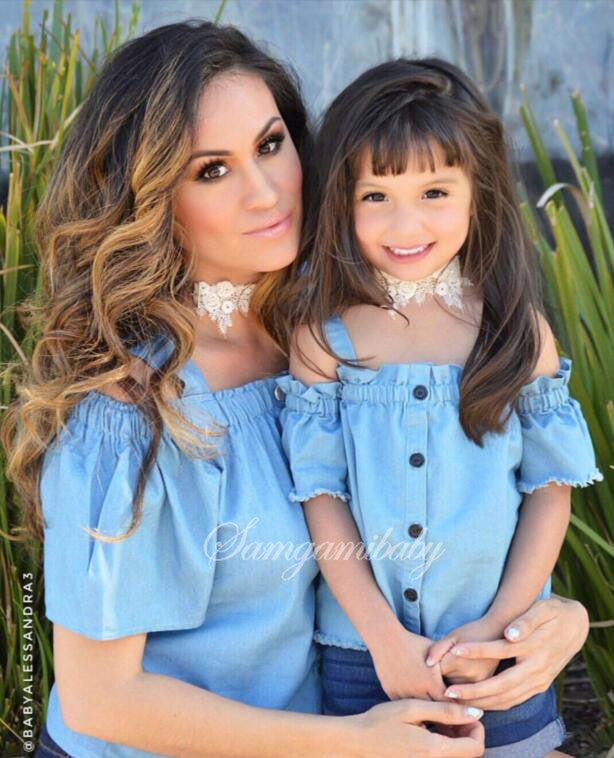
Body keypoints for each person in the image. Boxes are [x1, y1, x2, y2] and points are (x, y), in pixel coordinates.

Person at [0, 22, 587, 758]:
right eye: (211, 170)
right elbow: (98, 698)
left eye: (271, 145)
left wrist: (550, 619)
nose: (267, 190)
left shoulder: (332, 342)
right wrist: (349, 744)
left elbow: (439, 532)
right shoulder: (131, 409)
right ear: (149, 199)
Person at [276, 57, 603, 757]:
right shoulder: (323, 339)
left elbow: (550, 491)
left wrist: (501, 628)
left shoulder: (514, 332)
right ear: (342, 199)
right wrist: (384, 640)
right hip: (363, 650)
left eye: (434, 192)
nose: (405, 223)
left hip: (497, 655)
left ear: (477, 192)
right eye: (376, 196)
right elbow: (321, 497)